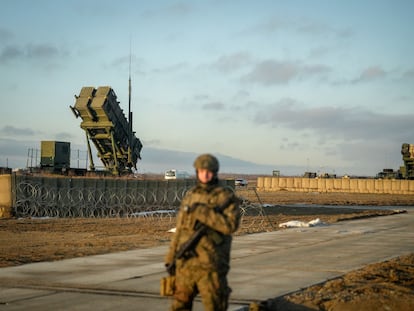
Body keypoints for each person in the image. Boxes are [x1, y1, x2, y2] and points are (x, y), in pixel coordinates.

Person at [165, 154, 241, 311]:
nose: (205, 175)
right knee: (179, 306)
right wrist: (171, 257)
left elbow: (230, 226)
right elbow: (180, 230)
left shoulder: (224, 197)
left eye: (209, 171)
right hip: (186, 264)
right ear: (197, 172)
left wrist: (203, 212)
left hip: (211, 264)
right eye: (201, 171)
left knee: (214, 306)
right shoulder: (191, 195)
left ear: (215, 172)